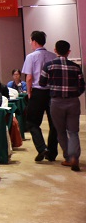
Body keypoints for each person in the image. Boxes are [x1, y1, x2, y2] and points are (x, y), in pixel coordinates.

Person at [40, 40, 85, 171]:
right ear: (69, 52)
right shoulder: (76, 67)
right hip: (73, 101)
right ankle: (74, 156)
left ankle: (68, 157)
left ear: (55, 50)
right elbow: (82, 86)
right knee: (73, 131)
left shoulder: (49, 65)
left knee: (60, 131)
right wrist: (74, 93)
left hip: (56, 102)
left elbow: (42, 83)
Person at [23, 30, 59, 162]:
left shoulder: (31, 57)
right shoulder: (53, 56)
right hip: (52, 93)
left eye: (30, 41)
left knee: (32, 122)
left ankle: (42, 148)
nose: (30, 43)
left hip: (37, 92)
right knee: (54, 123)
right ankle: (52, 153)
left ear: (34, 41)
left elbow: (29, 78)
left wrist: (29, 92)